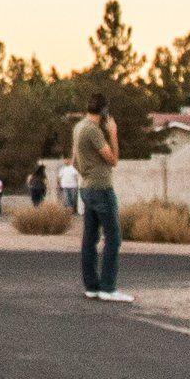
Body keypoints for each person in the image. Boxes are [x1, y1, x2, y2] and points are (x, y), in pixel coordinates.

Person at [64, 98, 127, 300]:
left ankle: (91, 286)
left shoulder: (78, 127)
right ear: (104, 111)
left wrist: (86, 172)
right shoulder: (93, 130)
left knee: (90, 239)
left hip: (86, 188)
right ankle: (108, 288)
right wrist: (113, 134)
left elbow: (73, 162)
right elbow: (113, 160)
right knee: (113, 237)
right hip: (101, 188)